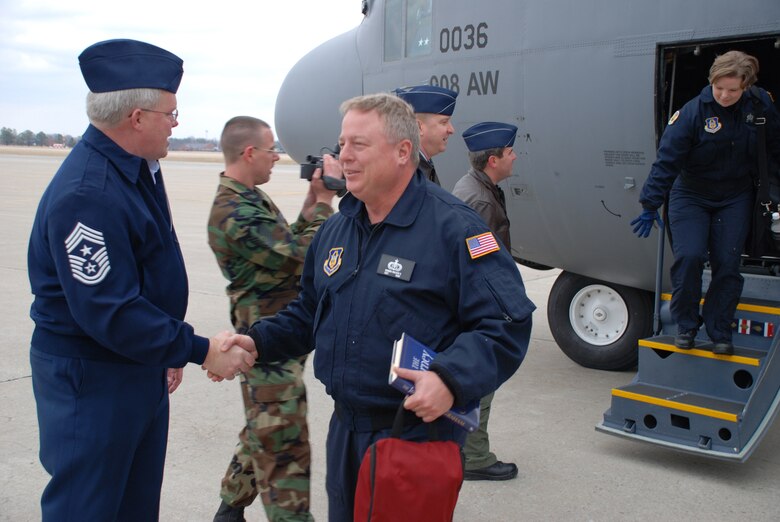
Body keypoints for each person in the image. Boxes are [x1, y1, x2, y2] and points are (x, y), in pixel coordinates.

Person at [218, 93, 535, 521]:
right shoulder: (336, 230)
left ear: (403, 151)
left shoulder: (455, 229)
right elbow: (310, 311)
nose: (343, 156)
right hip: (346, 431)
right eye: (342, 143)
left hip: (415, 435)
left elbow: (504, 322)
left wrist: (449, 379)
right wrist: (255, 341)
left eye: (358, 145)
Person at [27, 39, 256, 522]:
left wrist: (164, 351)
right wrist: (196, 350)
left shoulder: (135, 169)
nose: (177, 123)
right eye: (171, 114)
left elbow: (145, 270)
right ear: (136, 118)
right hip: (93, 378)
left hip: (134, 364)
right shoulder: (88, 193)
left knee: (133, 506)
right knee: (87, 508)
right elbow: (109, 310)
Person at [209, 116, 340, 522]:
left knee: (262, 425)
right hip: (265, 342)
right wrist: (326, 201)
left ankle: (229, 509)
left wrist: (312, 199)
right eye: (271, 150)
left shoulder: (250, 197)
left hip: (278, 335)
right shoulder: (234, 211)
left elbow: (288, 242)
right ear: (249, 153)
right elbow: (300, 254)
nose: (277, 157)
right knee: (283, 444)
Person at [632, 50, 780, 355]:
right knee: (690, 257)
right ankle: (685, 325)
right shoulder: (692, 113)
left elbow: (775, 151)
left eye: (733, 90)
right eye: (719, 88)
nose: (725, 95)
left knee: (728, 263)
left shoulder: (760, 105)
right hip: (691, 195)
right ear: (711, 82)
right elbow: (667, 162)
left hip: (735, 196)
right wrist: (650, 203)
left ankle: (719, 330)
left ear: (746, 86)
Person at [452, 121, 519, 481]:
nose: (515, 157)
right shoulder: (479, 199)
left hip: (473, 301)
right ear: (493, 160)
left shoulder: (478, 186)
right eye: (510, 153)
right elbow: (478, 262)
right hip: (479, 305)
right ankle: (473, 457)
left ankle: (465, 450)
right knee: (482, 380)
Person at [394, 84, 458, 185]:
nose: (451, 130)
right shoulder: (409, 176)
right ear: (419, 127)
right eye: (444, 122)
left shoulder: (418, 167)